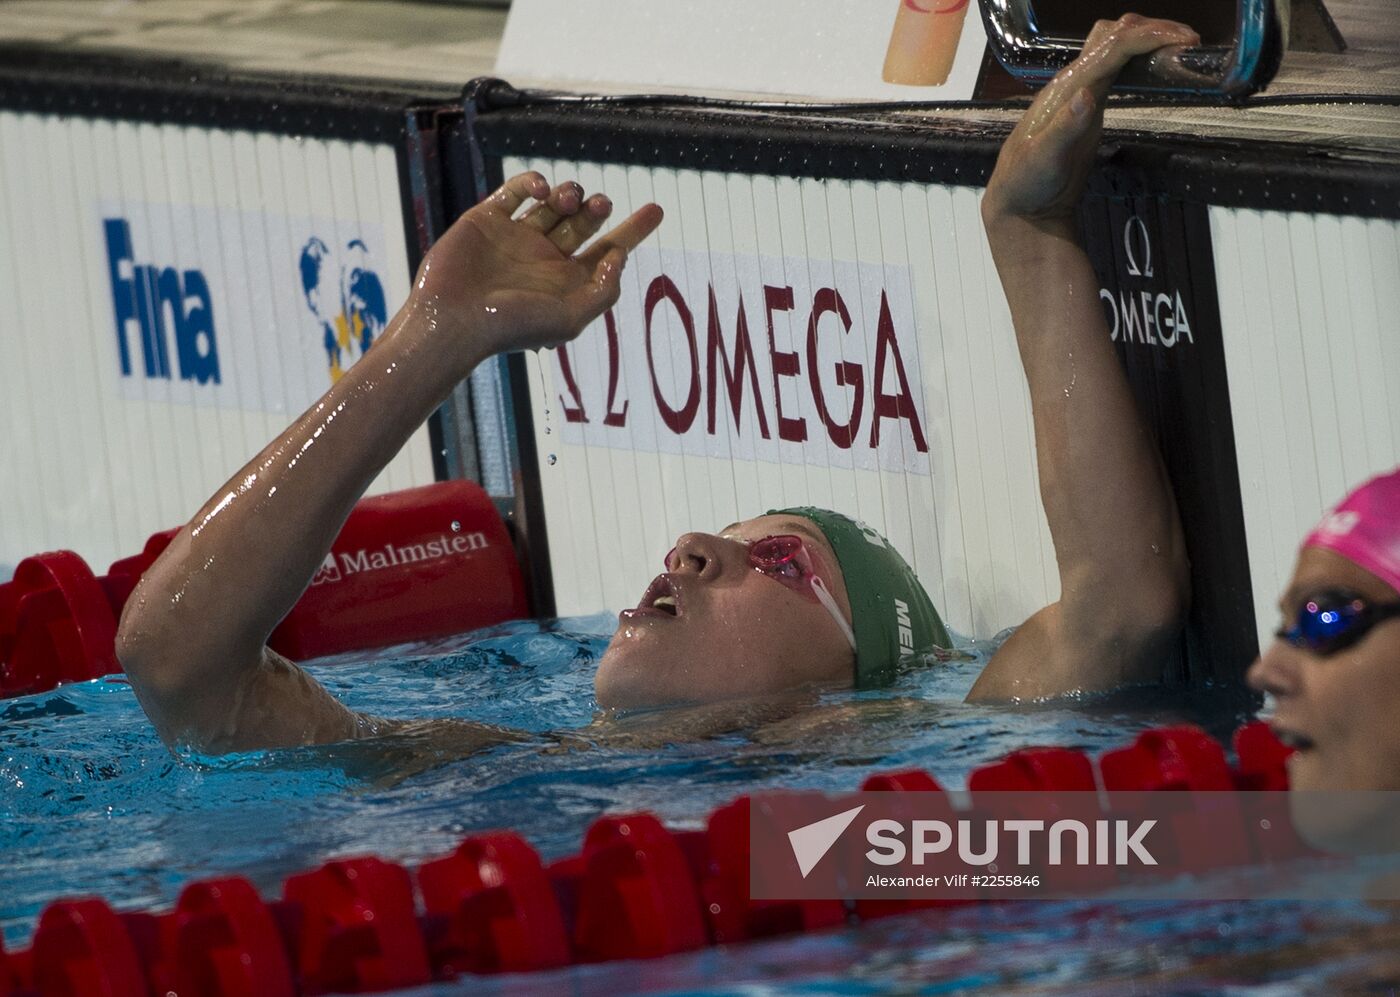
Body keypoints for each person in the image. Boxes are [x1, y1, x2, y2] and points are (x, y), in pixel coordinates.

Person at [116, 15, 1199, 756]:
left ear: (856, 675)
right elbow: (174, 663)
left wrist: (1028, 228)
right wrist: (430, 342)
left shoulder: (893, 762)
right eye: (735, 543)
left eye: (777, 561)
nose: (687, 546)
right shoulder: (463, 767)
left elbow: (1119, 604)